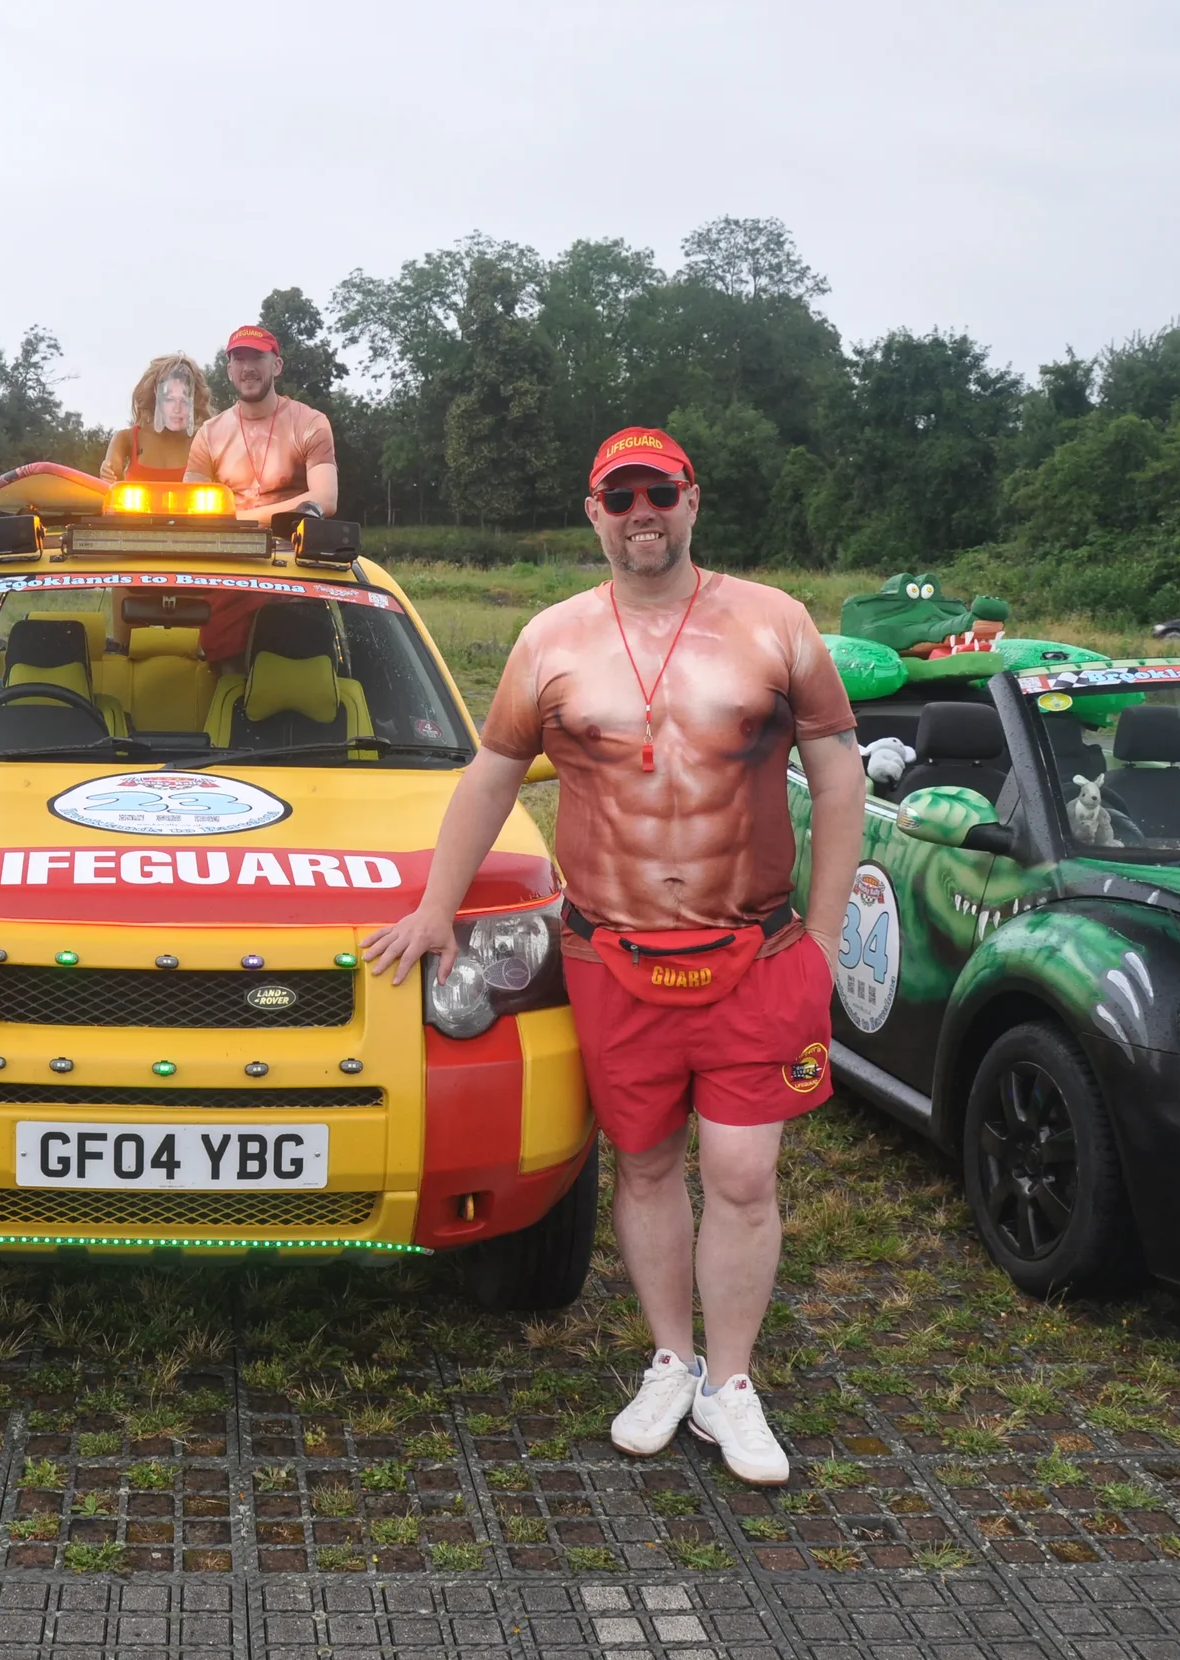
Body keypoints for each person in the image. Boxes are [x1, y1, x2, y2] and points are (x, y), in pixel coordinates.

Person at [363, 427, 864, 1487]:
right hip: (611, 954)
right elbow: (493, 775)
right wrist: (435, 908)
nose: (642, 511)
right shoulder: (550, 639)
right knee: (640, 1163)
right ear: (592, 511)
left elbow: (836, 770)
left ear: (693, 499)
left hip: (755, 943)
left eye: (660, 491)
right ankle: (669, 1360)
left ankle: (731, 1383)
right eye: (618, 494)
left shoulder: (773, 623)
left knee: (739, 1170)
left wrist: (824, 936)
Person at [186, 324, 338, 528]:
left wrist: (234, 519)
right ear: (230, 371)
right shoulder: (208, 435)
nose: (248, 368)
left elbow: (325, 499)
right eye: (239, 359)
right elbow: (189, 506)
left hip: (293, 549)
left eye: (257, 357)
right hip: (225, 549)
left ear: (277, 365)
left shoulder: (310, 423)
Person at [100, 355, 213, 484]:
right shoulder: (126, 438)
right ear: (155, 397)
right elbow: (110, 475)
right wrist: (108, 471)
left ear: (194, 400)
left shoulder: (204, 443)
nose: (177, 409)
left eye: (184, 400)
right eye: (169, 399)